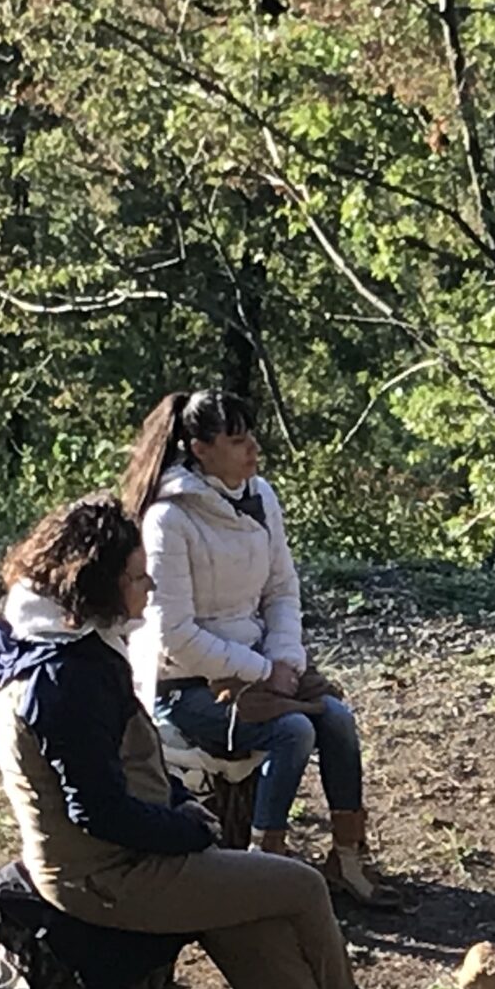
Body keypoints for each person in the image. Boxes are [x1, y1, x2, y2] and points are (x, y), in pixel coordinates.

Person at [0, 494, 442, 989]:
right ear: (97, 581)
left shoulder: (69, 642)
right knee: (301, 886)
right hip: (101, 874)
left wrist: (172, 800)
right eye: (138, 576)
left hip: (123, 853)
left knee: (248, 917)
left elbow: (122, 760)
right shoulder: (62, 676)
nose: (149, 586)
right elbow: (96, 808)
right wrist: (187, 830)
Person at [117, 389, 397, 908]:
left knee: (336, 718)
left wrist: (287, 659)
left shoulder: (261, 496)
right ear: (200, 449)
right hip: (186, 685)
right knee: (291, 731)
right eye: (238, 439)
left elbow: (280, 589)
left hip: (260, 669)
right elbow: (174, 633)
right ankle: (261, 864)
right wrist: (262, 669)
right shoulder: (168, 518)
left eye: (252, 436)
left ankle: (348, 859)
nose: (253, 449)